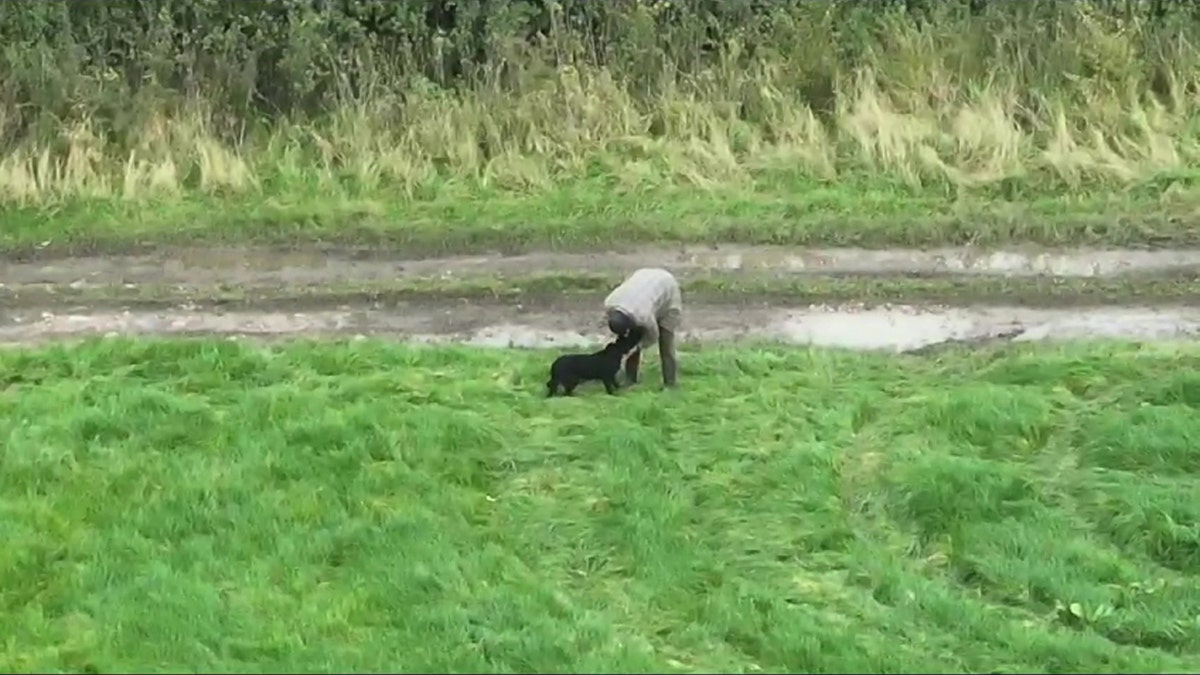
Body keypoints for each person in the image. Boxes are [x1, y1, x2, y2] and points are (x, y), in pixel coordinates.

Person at [603, 268, 682, 388]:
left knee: (666, 342)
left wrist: (636, 347)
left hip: (667, 288)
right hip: (643, 277)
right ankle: (630, 379)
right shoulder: (610, 302)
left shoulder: (644, 316)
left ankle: (670, 384)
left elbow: (652, 337)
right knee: (632, 338)